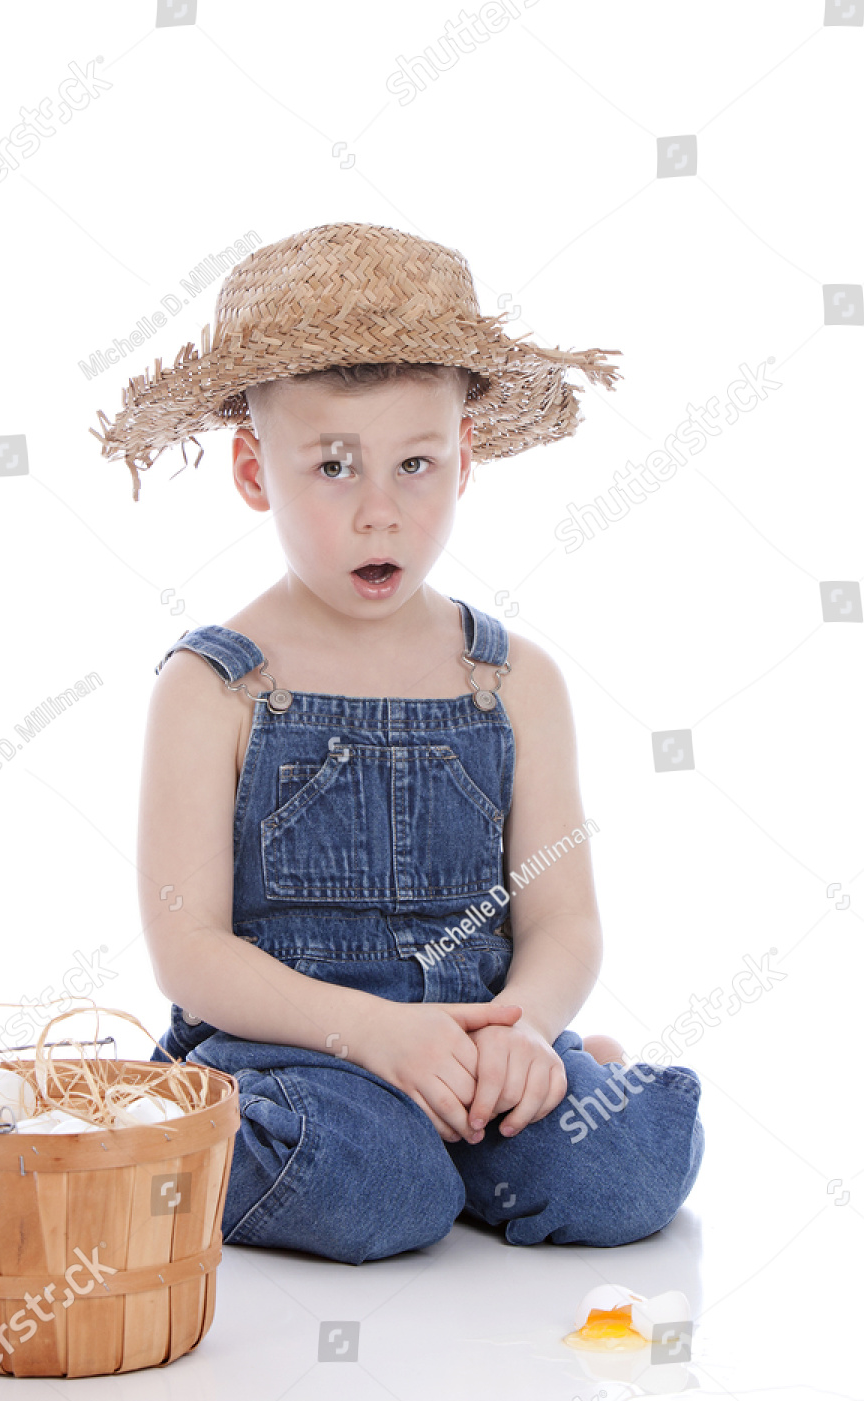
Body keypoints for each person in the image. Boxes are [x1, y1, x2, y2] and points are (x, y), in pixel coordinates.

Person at [92, 222, 704, 1265]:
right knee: (377, 1191)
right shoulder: (218, 688)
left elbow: (564, 920)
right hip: (294, 1056)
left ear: (465, 460)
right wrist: (373, 1035)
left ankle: (521, 1104)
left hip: (474, 1049)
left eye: (416, 463)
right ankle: (205, 1132)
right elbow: (190, 954)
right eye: (333, 466)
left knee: (630, 1168)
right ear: (254, 472)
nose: (381, 513)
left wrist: (522, 1026)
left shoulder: (513, 682)